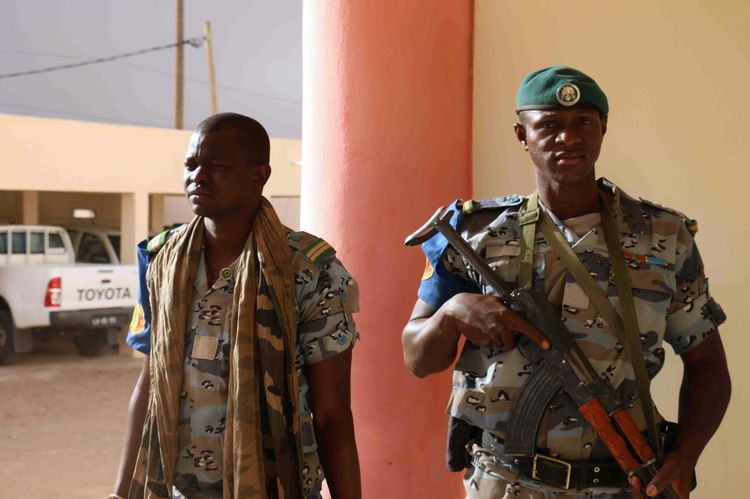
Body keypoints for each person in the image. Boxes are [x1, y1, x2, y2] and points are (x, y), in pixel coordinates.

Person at [401, 66, 730, 498]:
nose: (568, 138)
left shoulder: (664, 238)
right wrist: (452, 312)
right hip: (504, 484)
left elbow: (708, 365)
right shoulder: (475, 235)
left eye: (583, 123)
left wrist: (685, 457)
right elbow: (417, 358)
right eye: (550, 125)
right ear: (522, 134)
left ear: (603, 127)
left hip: (621, 482)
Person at [111, 113, 361, 499]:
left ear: (260, 175)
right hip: (178, 490)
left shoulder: (308, 270)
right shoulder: (162, 262)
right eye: (191, 165)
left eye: (217, 166)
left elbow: (332, 413)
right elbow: (150, 383)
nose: (198, 176)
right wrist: (120, 493)